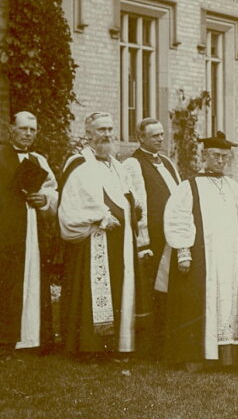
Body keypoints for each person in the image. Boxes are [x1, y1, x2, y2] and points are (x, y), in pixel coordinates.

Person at [0, 111, 58, 352]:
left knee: (33, 278)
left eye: (32, 130)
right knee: (6, 283)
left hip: (32, 232)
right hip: (5, 232)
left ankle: (34, 338)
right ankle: (5, 338)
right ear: (11, 130)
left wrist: (45, 200)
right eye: (23, 128)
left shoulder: (39, 161)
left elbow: (53, 191)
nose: (28, 133)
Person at [163, 131, 238, 370]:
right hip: (203, 257)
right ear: (204, 155)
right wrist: (183, 251)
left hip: (230, 258)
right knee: (199, 302)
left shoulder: (233, 187)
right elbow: (178, 218)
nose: (220, 161)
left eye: (224, 157)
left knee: (228, 303)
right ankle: (197, 357)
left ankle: (226, 357)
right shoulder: (189, 186)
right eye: (215, 156)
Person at [58, 112, 142, 355]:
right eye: (101, 129)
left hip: (120, 242)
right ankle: (89, 347)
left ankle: (115, 345)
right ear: (88, 134)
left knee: (119, 290)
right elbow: (71, 205)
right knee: (90, 296)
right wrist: (100, 217)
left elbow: (128, 196)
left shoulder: (116, 166)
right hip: (92, 242)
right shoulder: (78, 164)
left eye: (109, 129)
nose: (107, 134)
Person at [122, 117, 180, 357]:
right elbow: (137, 204)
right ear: (141, 138)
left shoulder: (167, 162)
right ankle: (149, 346)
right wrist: (142, 240)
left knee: (169, 288)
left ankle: (167, 341)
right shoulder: (133, 164)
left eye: (162, 134)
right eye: (154, 135)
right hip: (151, 240)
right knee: (149, 290)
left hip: (170, 237)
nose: (160, 139)